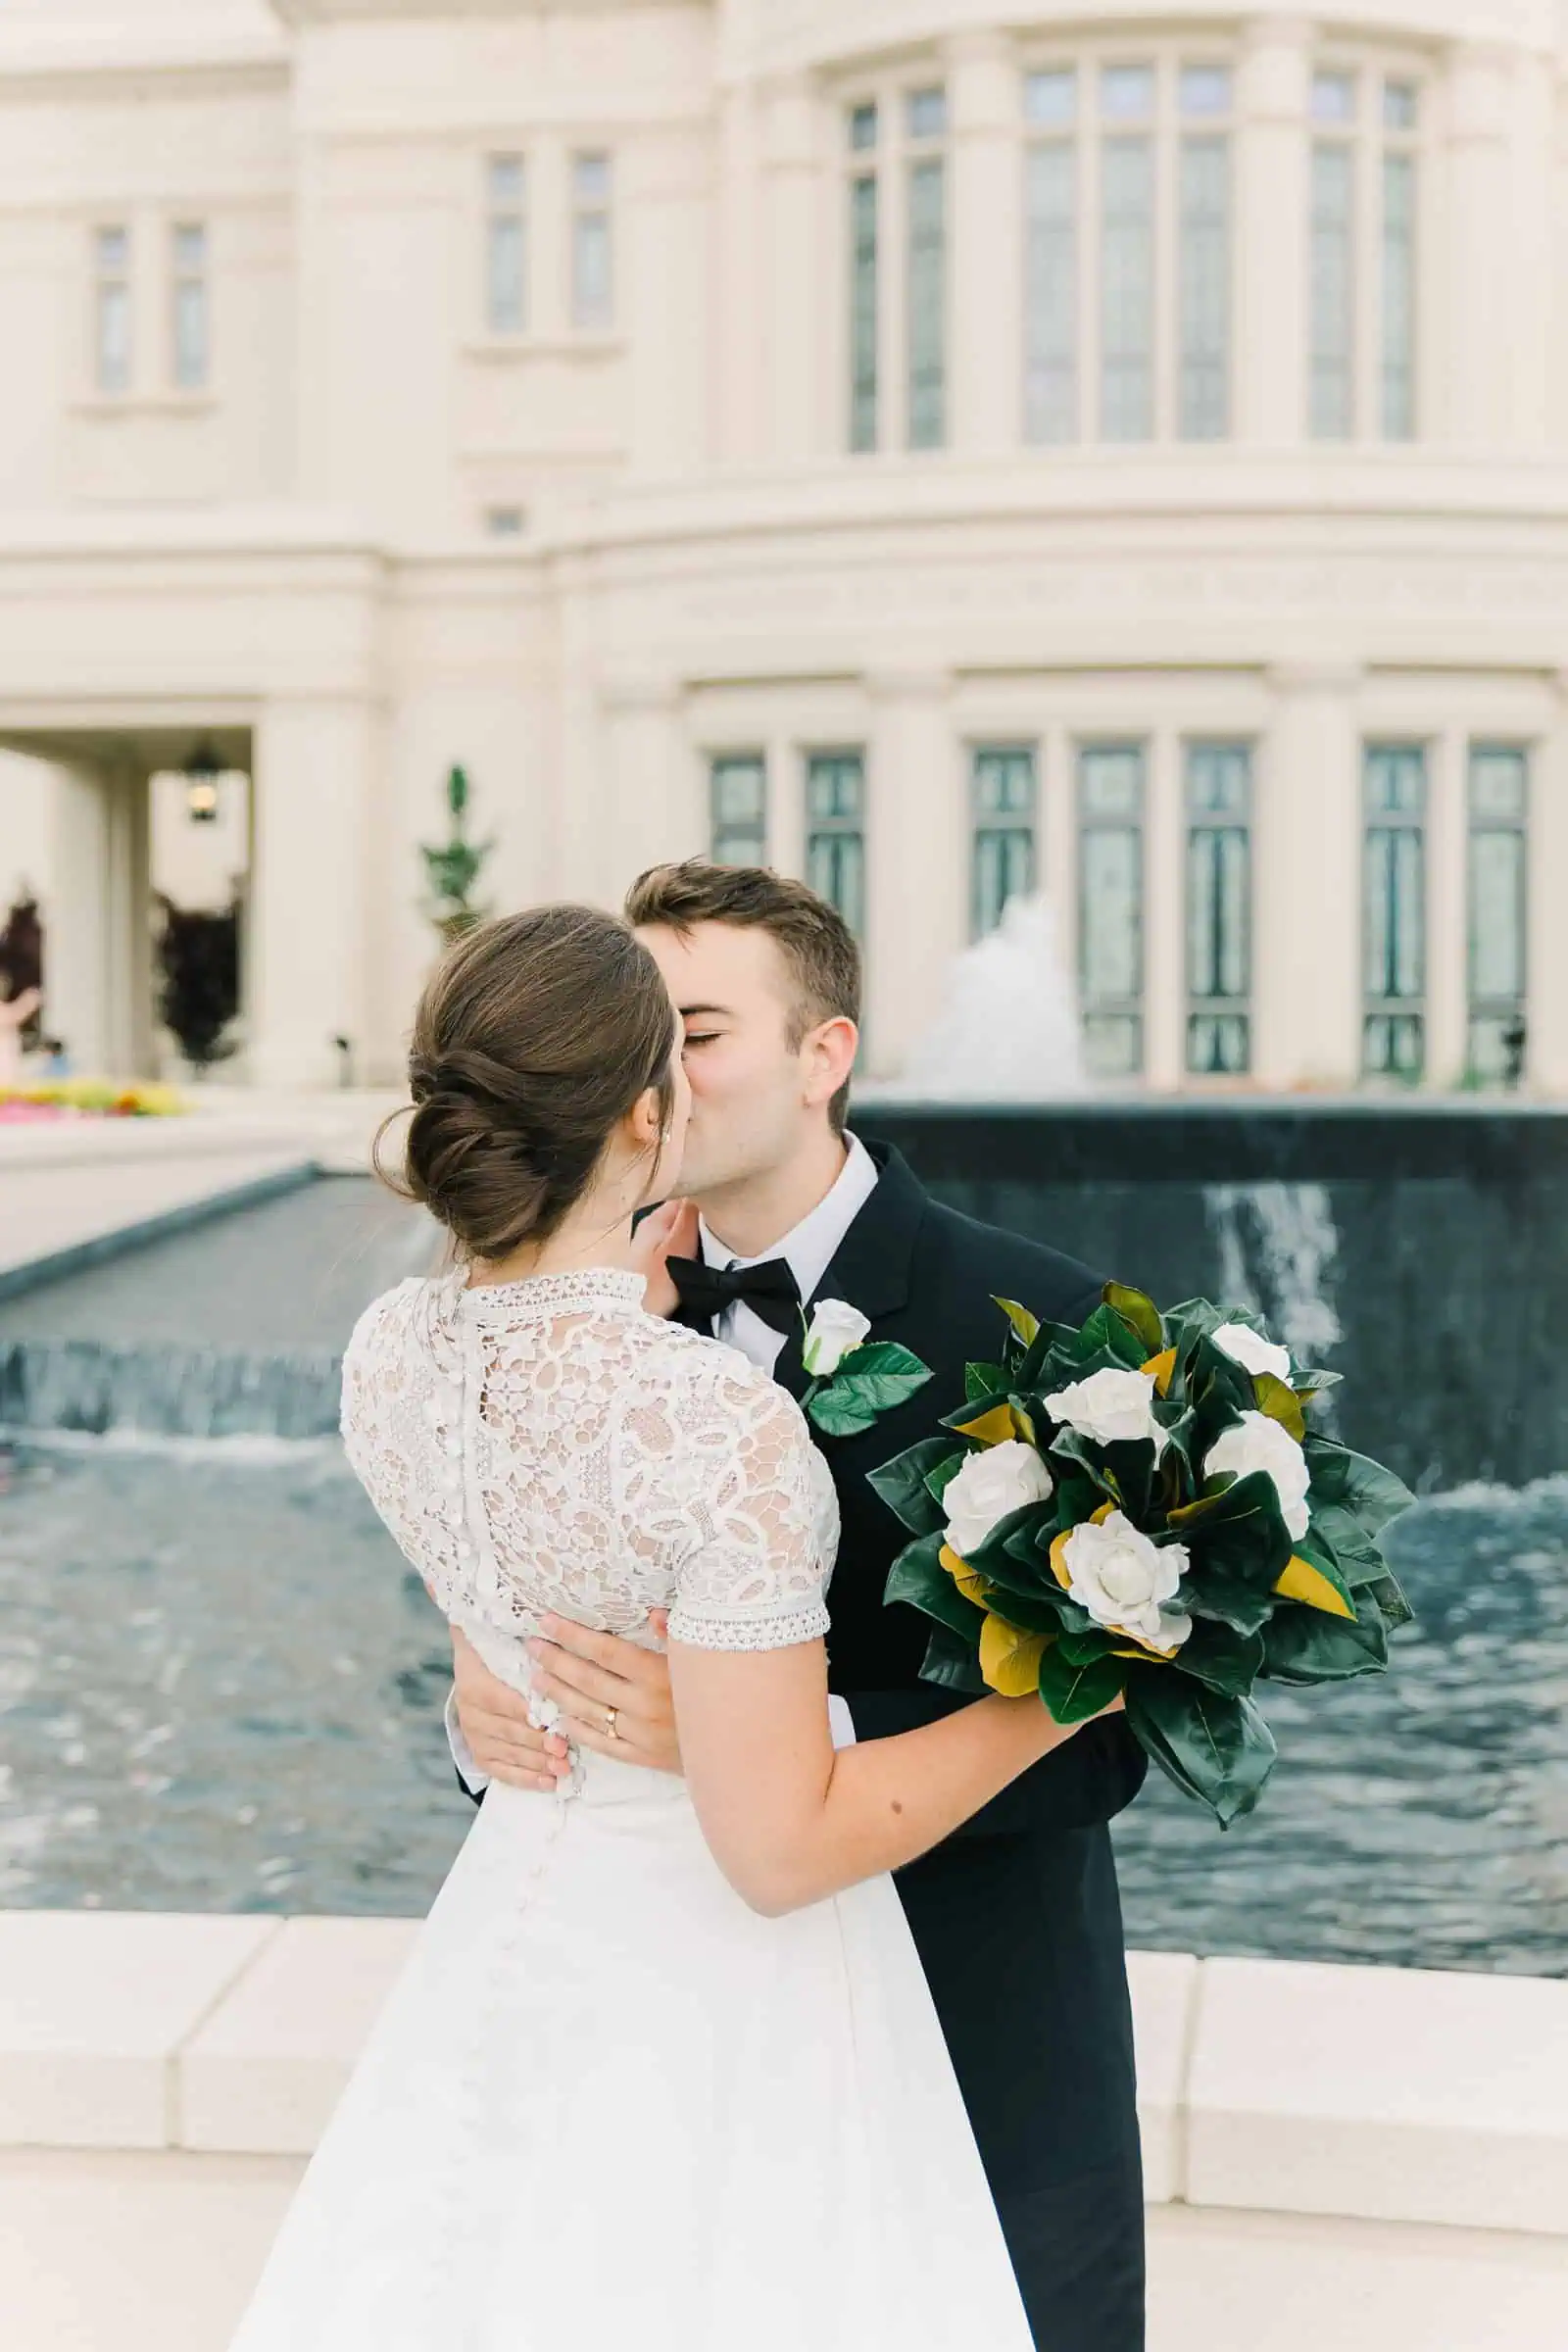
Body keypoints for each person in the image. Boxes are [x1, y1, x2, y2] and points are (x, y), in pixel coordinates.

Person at [232, 901, 1119, 2352]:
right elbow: (739, 1812)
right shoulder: (700, 1409)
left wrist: (729, 1728)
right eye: (671, 1042)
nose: (690, 1076)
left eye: (708, 1028)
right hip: (730, 1976)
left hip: (926, 2006)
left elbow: (1111, 1761)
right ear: (637, 1108)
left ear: (822, 1054)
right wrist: (486, 1702)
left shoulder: (395, 1345)